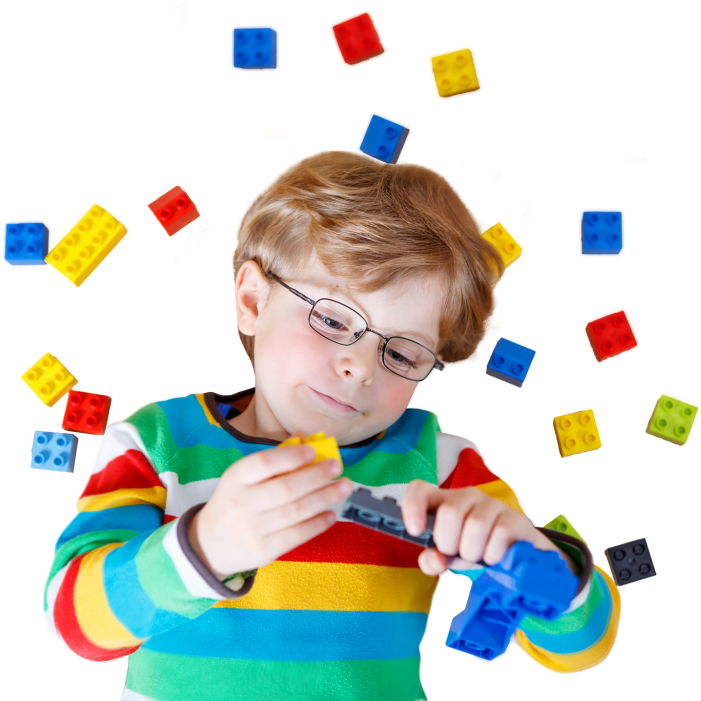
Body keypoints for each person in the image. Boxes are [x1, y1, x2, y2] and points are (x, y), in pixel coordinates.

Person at [42, 152, 622, 700]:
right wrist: (202, 549)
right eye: (334, 319)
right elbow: (72, 624)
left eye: (403, 353)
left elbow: (581, 649)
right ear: (252, 299)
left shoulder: (441, 467)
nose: (360, 366)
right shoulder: (156, 442)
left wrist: (548, 568)